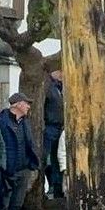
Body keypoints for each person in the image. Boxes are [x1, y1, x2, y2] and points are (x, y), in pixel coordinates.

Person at [0, 92, 41, 210]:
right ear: (16, 104)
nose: (29, 106)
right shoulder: (1, 122)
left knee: (17, 203)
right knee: (4, 204)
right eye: (26, 103)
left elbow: (29, 144)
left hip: (23, 169)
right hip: (8, 170)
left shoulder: (25, 123)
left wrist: (32, 164)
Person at [43, 69, 65, 199]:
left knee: (58, 158)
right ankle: (50, 185)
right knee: (46, 158)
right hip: (50, 126)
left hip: (59, 127)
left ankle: (57, 187)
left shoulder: (59, 87)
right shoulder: (48, 86)